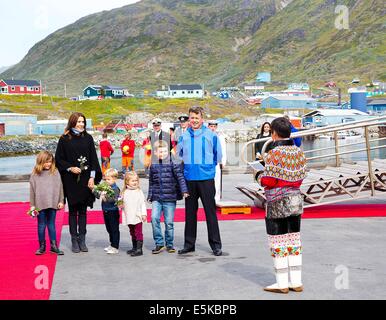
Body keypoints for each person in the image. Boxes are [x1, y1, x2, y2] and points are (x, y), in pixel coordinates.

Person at [258, 117, 307, 294]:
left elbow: (269, 181)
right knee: (294, 241)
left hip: (276, 202)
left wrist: (257, 175)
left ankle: (281, 283)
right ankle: (296, 281)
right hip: (295, 201)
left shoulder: (273, 154)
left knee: (278, 242)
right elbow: (301, 177)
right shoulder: (299, 152)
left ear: (274, 133)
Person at [177, 106, 223, 256]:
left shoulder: (211, 135)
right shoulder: (183, 137)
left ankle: (216, 245)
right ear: (189, 119)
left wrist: (207, 167)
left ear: (202, 119)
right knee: (190, 214)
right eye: (192, 118)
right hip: (189, 179)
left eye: (197, 118)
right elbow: (179, 155)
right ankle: (189, 244)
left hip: (206, 179)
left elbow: (218, 155)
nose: (194, 120)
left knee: (210, 212)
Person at [55, 112, 102, 253]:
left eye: (83, 122)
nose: (81, 124)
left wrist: (92, 178)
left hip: (86, 180)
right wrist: (70, 168)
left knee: (83, 211)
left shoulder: (88, 138)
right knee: (72, 211)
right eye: (79, 121)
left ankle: (82, 239)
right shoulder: (64, 139)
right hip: (70, 180)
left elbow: (94, 159)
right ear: (72, 122)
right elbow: (58, 159)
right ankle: (73, 239)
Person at [148, 140, 189, 254]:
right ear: (155, 153)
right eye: (160, 152)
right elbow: (151, 182)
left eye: (165, 151)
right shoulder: (153, 165)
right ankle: (159, 243)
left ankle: (169, 244)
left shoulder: (173, 163)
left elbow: (180, 177)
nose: (163, 153)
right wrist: (150, 195)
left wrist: (184, 190)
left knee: (168, 222)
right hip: (157, 197)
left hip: (170, 198)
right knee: (154, 218)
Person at [29, 151, 64, 255]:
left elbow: (60, 186)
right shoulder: (35, 174)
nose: (48, 164)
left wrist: (61, 200)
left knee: (51, 224)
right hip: (40, 203)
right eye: (46, 162)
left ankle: (53, 246)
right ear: (40, 161)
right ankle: (42, 247)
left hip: (53, 202)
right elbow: (32, 190)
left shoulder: (55, 171)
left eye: (50, 162)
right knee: (41, 225)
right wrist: (32, 205)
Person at [94, 168, 121, 255]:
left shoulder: (116, 189)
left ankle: (115, 246)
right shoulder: (105, 186)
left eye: (108, 179)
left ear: (114, 179)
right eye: (105, 179)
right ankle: (112, 244)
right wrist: (94, 190)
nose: (106, 181)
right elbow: (98, 195)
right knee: (108, 228)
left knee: (114, 229)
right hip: (106, 211)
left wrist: (105, 197)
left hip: (113, 211)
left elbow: (114, 199)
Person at [121, 171, 147, 257]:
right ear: (127, 182)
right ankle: (134, 247)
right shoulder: (124, 192)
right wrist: (119, 204)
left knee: (138, 232)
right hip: (129, 215)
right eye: (133, 181)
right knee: (132, 231)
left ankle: (139, 249)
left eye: (136, 180)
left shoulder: (139, 191)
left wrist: (144, 214)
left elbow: (142, 203)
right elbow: (120, 203)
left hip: (137, 215)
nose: (135, 182)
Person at [207, 120, 227, 203]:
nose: (213, 128)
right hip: (207, 162)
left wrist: (223, 162)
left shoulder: (220, 137)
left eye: (214, 126)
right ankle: (209, 198)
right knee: (208, 181)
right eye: (211, 126)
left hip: (216, 162)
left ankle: (217, 198)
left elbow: (223, 150)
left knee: (217, 181)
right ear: (208, 127)